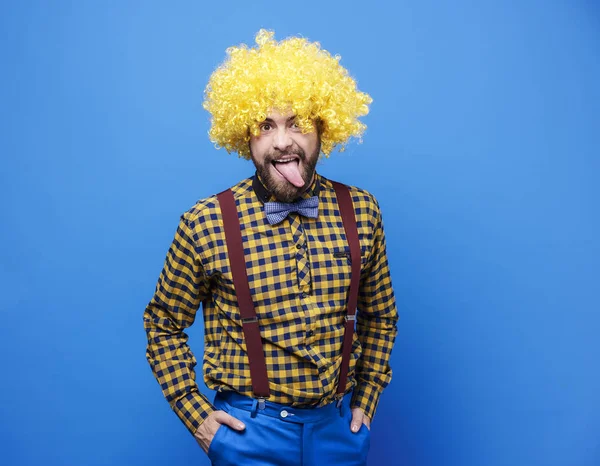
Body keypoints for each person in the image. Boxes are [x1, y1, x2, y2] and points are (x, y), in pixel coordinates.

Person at [143, 29, 398, 466]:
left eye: (297, 122)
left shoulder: (362, 210)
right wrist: (197, 415)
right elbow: (162, 323)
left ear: (324, 127)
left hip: (339, 432)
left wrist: (367, 397)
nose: (282, 141)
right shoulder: (206, 222)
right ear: (246, 137)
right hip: (249, 434)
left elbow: (381, 316)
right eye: (266, 125)